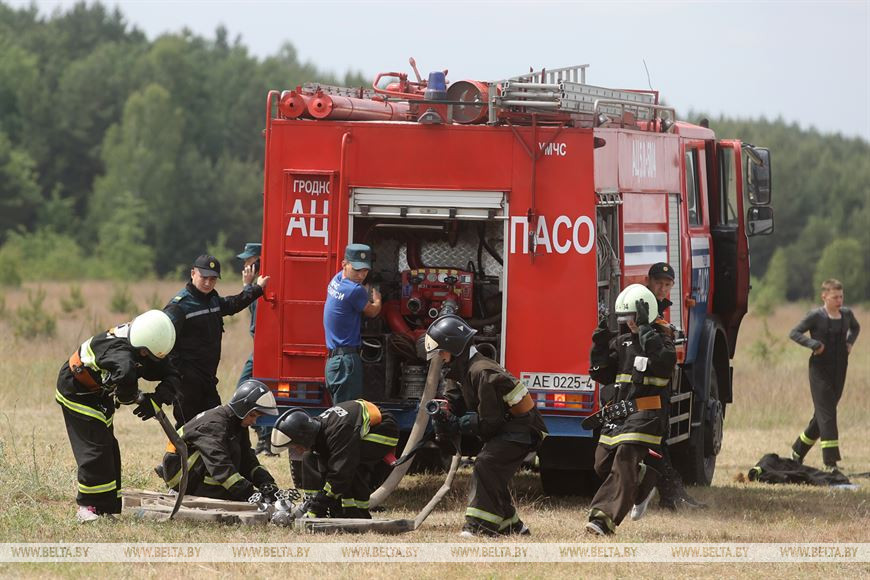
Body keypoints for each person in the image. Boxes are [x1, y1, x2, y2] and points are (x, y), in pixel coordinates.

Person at [424, 315, 548, 537]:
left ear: (454, 346)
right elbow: (454, 401)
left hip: (523, 429)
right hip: (507, 428)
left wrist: (459, 424)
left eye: (442, 351)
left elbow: (491, 423)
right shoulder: (459, 370)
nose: (440, 357)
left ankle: (479, 527)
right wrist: (444, 414)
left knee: (486, 464)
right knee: (492, 472)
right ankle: (512, 525)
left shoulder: (482, 371)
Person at [56, 310, 178, 522]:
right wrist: (134, 397)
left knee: (109, 449)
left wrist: (157, 398)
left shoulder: (145, 342)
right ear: (141, 350)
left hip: (99, 393)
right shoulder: (119, 352)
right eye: (146, 356)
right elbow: (125, 380)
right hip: (76, 390)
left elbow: (173, 373)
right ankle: (86, 507)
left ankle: (105, 508)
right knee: (95, 448)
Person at [586, 284, 677, 536]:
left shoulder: (663, 342)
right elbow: (603, 375)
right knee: (602, 464)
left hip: (648, 414)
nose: (630, 323)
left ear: (645, 315)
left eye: (634, 317)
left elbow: (664, 363)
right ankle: (645, 480)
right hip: (620, 414)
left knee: (625, 457)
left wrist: (646, 332)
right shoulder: (622, 342)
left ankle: (602, 519)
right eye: (625, 319)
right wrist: (599, 345)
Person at [163, 254, 270, 427]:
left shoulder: (212, 299)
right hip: (187, 382)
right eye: (204, 277)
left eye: (212, 279)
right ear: (193, 274)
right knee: (186, 427)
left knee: (214, 423)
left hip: (208, 379)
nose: (207, 283)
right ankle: (176, 455)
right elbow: (165, 341)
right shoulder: (179, 306)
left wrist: (256, 289)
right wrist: (176, 376)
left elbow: (233, 304)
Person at [632, 262, 704, 514]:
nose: (662, 288)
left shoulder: (657, 307)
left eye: (667, 284)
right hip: (644, 388)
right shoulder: (642, 304)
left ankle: (671, 494)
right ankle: (669, 495)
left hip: (655, 388)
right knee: (654, 442)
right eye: (659, 283)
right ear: (648, 281)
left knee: (658, 441)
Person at [270, 400, 399, 519]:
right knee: (310, 457)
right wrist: (314, 505)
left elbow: (341, 472)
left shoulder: (338, 431)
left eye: (297, 446)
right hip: (357, 426)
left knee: (351, 464)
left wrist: (320, 503)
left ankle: (356, 512)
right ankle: (324, 505)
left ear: (304, 437)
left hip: (383, 428)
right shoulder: (317, 429)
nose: (297, 450)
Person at [160, 380, 279, 501]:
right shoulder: (215, 425)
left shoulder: (237, 422)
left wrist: (267, 484)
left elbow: (247, 458)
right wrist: (248, 493)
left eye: (257, 417)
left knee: (237, 452)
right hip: (179, 475)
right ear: (243, 407)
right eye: (253, 415)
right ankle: (212, 491)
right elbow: (219, 464)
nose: (254, 422)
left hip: (190, 467)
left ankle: (221, 491)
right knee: (225, 456)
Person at [789, 279, 860, 471]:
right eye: (835, 297)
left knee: (822, 416)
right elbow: (794, 333)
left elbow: (856, 327)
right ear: (824, 296)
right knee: (828, 414)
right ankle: (830, 462)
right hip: (819, 371)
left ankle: (798, 450)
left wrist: (850, 342)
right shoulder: (815, 316)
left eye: (841, 297)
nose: (839, 300)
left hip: (840, 370)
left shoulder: (846, 315)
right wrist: (813, 345)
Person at [323, 244, 382, 403]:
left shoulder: (336, 279)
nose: (361, 275)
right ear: (344, 264)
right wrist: (378, 300)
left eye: (365, 271)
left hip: (333, 361)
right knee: (347, 414)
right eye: (357, 270)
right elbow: (372, 312)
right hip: (346, 362)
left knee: (339, 411)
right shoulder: (355, 291)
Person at [235, 242, 273, 456]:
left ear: (259, 260)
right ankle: (264, 441)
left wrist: (249, 286)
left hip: (262, 350)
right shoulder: (256, 285)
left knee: (246, 392)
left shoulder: (262, 284)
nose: (245, 264)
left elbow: (254, 307)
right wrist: (248, 286)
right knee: (253, 392)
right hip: (258, 348)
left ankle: (265, 441)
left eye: (249, 260)